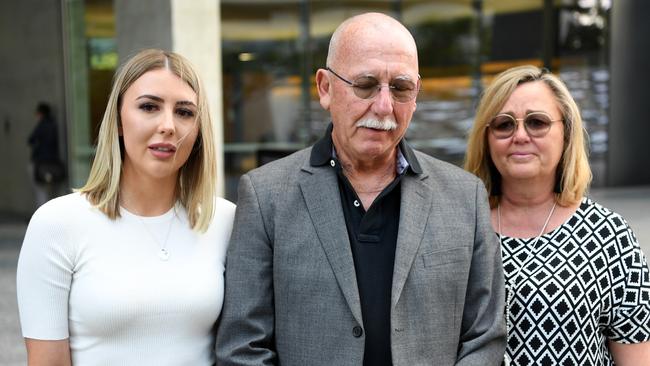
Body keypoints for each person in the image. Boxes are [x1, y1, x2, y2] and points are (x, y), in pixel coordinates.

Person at [216, 12, 505, 366]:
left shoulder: (464, 197)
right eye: (365, 85)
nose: (384, 107)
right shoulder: (266, 196)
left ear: (415, 95)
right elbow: (243, 347)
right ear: (325, 88)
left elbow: (485, 338)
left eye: (400, 88)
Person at [16, 49, 235, 365]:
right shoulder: (57, 223)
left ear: (199, 130)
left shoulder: (226, 221)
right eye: (149, 107)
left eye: (185, 112)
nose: (168, 125)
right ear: (118, 121)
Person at [465, 65, 650, 365]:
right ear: (486, 138)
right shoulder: (460, 228)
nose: (520, 135)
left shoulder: (610, 235)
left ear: (566, 133)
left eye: (537, 122)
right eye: (503, 124)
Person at [28, 102, 64, 208]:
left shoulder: (42, 125)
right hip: (54, 163)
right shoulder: (54, 125)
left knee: (41, 191)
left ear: (40, 113)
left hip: (41, 163)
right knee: (53, 191)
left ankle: (41, 215)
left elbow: (30, 140)